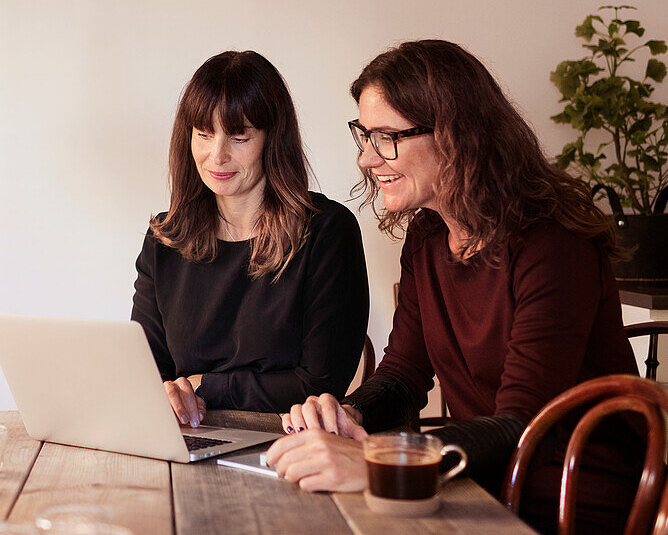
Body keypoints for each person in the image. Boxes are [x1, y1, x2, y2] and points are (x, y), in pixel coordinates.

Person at [265, 40, 643, 534]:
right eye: (364, 136)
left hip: (572, 508)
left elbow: (524, 422)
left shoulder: (553, 242)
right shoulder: (428, 235)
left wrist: (381, 461)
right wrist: (352, 414)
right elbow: (403, 375)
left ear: (456, 134)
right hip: (479, 489)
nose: (366, 159)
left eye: (385, 136)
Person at [131, 50, 369, 427]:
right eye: (204, 134)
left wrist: (204, 386)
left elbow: (320, 382)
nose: (217, 155)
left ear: (273, 139)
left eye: (239, 136)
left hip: (285, 438)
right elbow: (145, 373)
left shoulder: (327, 232)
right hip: (186, 436)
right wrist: (170, 392)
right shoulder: (166, 238)